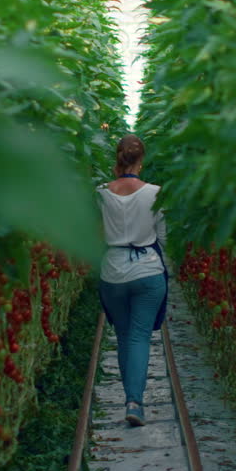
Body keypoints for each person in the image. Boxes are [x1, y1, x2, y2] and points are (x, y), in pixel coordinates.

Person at [97, 134, 168, 427]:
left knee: (124, 336)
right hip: (148, 271)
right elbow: (163, 238)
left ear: (117, 157)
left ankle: (131, 399)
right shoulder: (155, 193)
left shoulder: (101, 193)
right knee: (140, 336)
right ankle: (134, 403)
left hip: (112, 270)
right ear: (141, 161)